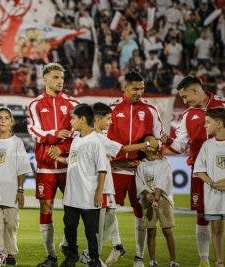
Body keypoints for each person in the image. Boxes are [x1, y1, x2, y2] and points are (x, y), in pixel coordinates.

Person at [78, 102, 160, 265]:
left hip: (104, 186)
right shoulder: (97, 138)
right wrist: (146, 144)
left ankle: (99, 250)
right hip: (99, 187)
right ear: (97, 119)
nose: (111, 122)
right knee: (100, 224)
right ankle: (91, 254)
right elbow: (122, 149)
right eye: (108, 119)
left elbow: (110, 158)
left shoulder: (92, 138)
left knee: (106, 221)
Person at [162, 76, 225, 267]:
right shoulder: (188, 115)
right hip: (201, 173)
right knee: (203, 216)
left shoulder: (223, 105)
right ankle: (204, 260)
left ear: (195, 90)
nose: (184, 101)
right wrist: (167, 141)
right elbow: (180, 146)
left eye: (185, 96)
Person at [107, 71, 165, 267]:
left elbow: (159, 138)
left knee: (141, 214)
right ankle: (117, 245)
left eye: (142, 88)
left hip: (141, 170)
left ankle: (139, 257)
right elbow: (104, 139)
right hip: (117, 169)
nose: (139, 92)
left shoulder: (150, 109)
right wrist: (114, 162)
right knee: (107, 209)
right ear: (125, 87)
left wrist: (151, 157)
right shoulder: (113, 108)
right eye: (135, 89)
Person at [27, 62, 79, 267]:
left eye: (62, 78)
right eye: (56, 77)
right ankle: (50, 256)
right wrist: (53, 135)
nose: (60, 81)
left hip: (68, 165)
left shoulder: (74, 103)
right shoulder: (35, 104)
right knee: (46, 208)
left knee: (72, 208)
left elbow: (77, 132)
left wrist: (62, 148)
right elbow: (34, 131)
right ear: (45, 79)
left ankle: (68, 247)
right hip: (45, 166)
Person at [54, 104, 108, 267]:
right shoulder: (76, 139)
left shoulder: (96, 141)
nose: (70, 121)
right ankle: (72, 256)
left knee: (91, 232)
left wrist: (99, 191)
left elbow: (102, 169)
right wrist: (59, 158)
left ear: (83, 119)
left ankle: (94, 259)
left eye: (73, 117)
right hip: (71, 195)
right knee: (69, 228)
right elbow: (74, 161)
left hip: (88, 195)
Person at [0, 108, 32, 266]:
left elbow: (21, 168)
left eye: (6, 118)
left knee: (10, 225)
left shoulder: (17, 142)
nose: (2, 120)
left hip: (11, 190)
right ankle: (1, 254)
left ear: (11, 122)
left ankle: (10, 252)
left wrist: (20, 190)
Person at [136, 135, 179, 267]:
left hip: (163, 200)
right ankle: (152, 260)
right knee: (151, 231)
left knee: (167, 230)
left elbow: (162, 181)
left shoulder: (164, 162)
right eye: (149, 141)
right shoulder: (141, 164)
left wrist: (156, 196)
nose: (153, 142)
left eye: (154, 140)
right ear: (143, 148)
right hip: (148, 199)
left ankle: (173, 261)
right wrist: (147, 193)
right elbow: (139, 181)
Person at [194, 108, 225, 267]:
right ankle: (220, 262)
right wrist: (213, 184)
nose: (205, 126)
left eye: (208, 122)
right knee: (217, 230)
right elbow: (199, 170)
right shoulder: (207, 145)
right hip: (213, 196)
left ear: (219, 124)